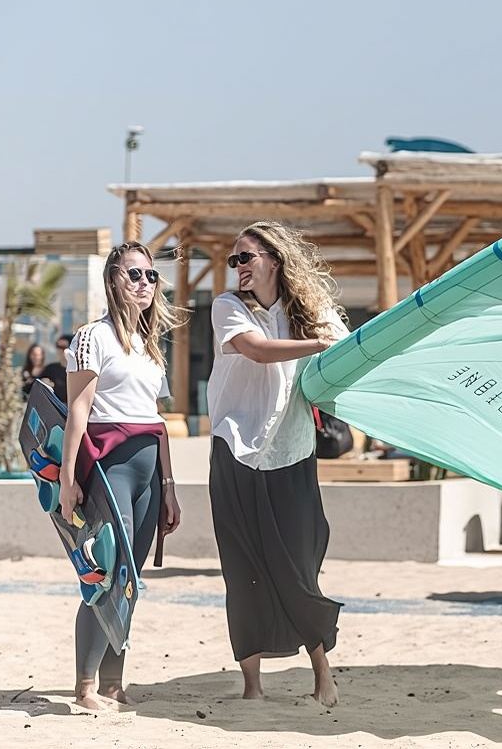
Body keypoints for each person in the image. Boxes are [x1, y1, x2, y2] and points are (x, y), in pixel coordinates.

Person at [207, 221, 349, 706]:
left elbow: (348, 354)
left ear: (274, 258)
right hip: (236, 450)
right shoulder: (227, 307)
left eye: (245, 257)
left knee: (299, 565)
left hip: (293, 451)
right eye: (234, 261)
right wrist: (317, 345)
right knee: (242, 567)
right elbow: (256, 351)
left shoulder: (311, 312)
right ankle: (253, 688)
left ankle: (324, 679)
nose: (239, 268)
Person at [59, 242, 185, 709]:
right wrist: (67, 478)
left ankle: (114, 682)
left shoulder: (153, 346)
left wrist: (170, 488)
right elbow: (78, 409)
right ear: (113, 279)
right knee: (104, 573)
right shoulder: (93, 337)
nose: (145, 284)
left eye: (152, 276)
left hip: (150, 470)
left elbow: (157, 421)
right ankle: (86, 686)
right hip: (110, 468)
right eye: (135, 275)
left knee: (129, 578)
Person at [36, 333, 73, 403]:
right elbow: (33, 386)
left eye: (63, 347)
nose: (59, 350)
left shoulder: (78, 372)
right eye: (58, 346)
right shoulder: (50, 369)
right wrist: (43, 384)